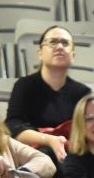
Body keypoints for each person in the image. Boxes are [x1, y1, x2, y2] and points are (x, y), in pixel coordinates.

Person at [6, 23, 88, 164]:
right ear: (40, 53)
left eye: (65, 43)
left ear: (73, 55)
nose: (60, 47)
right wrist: (49, 140)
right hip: (33, 156)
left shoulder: (82, 93)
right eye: (53, 42)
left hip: (72, 157)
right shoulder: (24, 86)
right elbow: (13, 126)